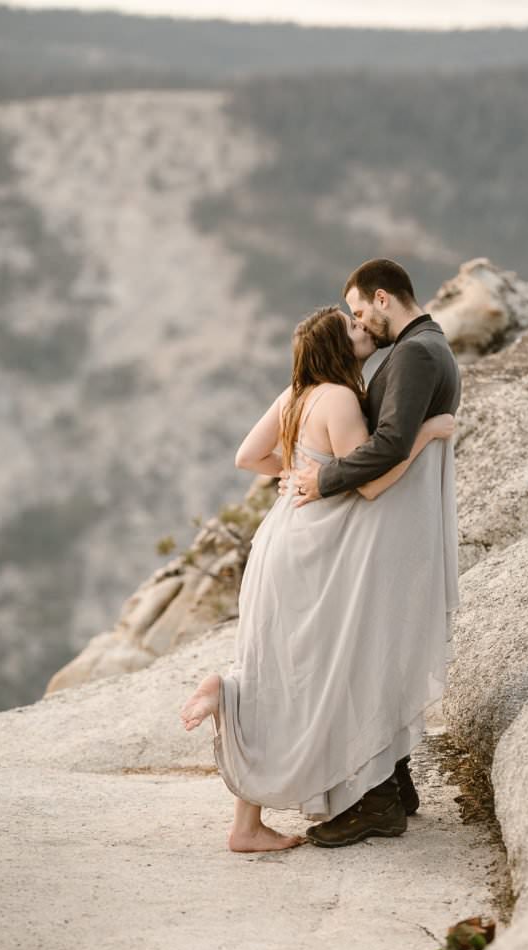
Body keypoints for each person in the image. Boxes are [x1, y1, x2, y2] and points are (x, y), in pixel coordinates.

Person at [180, 302, 456, 853]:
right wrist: (428, 433)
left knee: (273, 667)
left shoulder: (296, 394)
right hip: (315, 552)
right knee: (324, 669)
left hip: (276, 540)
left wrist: (290, 470)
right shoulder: (339, 399)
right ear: (337, 346)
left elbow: (245, 456)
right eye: (352, 326)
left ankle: (242, 783)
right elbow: (373, 484)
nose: (363, 328)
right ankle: (330, 777)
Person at [292, 258, 461, 847]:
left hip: (392, 520)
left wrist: (324, 478)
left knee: (365, 655)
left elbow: (390, 443)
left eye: (362, 310)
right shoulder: (427, 346)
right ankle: (396, 783)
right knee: (379, 649)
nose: (360, 322)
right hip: (401, 514)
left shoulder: (415, 353)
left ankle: (379, 801)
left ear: (383, 298)